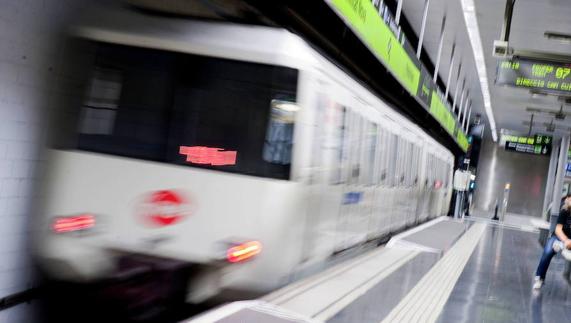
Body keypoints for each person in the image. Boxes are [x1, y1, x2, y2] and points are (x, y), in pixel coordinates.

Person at [533, 193, 571, 289]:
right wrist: (566, 240)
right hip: (559, 237)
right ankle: (539, 278)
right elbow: (558, 230)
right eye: (570, 199)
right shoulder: (565, 211)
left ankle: (562, 245)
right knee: (548, 251)